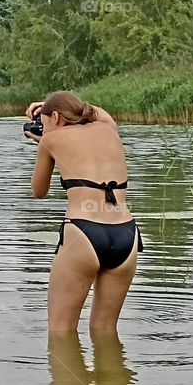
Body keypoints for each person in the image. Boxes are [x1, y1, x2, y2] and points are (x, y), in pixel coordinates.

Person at [25, 91, 142, 334]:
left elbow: (39, 191)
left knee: (60, 332)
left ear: (55, 117)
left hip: (83, 232)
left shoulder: (50, 141)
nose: (44, 130)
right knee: (105, 331)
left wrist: (45, 145)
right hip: (126, 235)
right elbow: (100, 116)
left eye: (45, 123)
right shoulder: (109, 130)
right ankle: (111, 371)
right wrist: (50, 109)